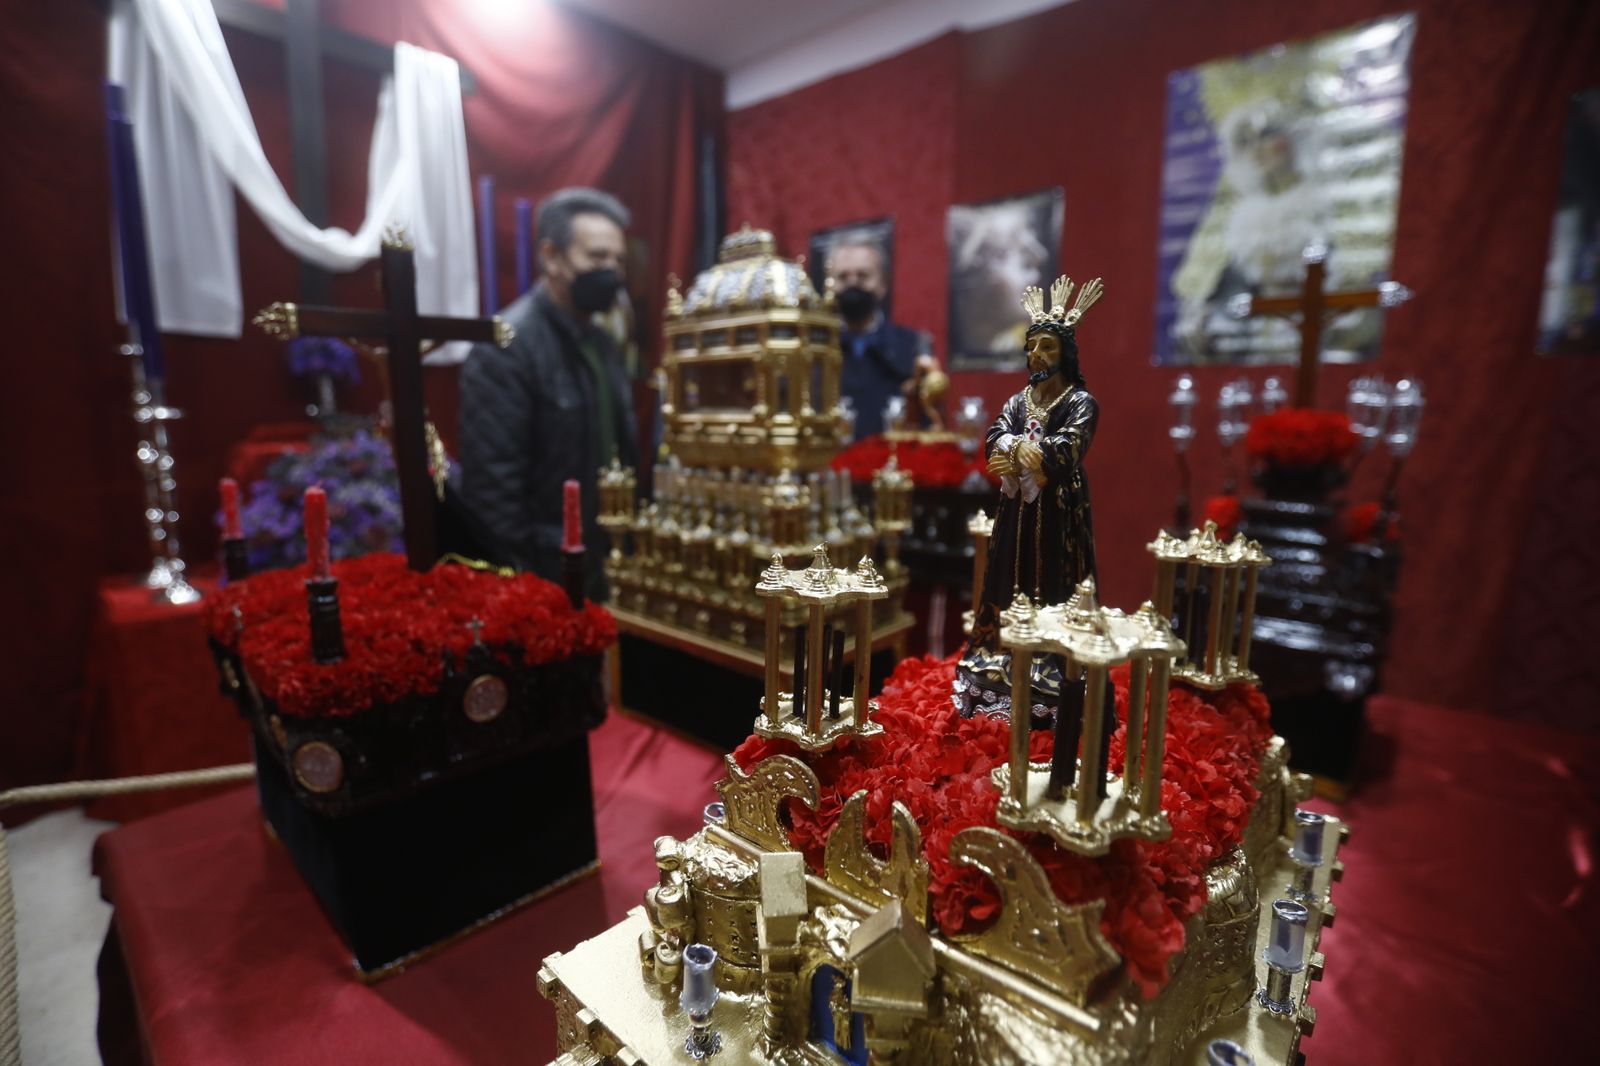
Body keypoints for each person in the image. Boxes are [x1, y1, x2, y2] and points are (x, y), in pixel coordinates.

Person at [458, 187, 638, 602]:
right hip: (546, 572)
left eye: (619, 261)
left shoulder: (603, 344)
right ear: (552, 257)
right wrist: (524, 589)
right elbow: (493, 495)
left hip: (606, 561)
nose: (611, 271)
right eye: (597, 257)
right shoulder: (506, 347)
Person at [954, 274, 1104, 732]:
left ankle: (1051, 661)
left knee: (1055, 582)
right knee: (1007, 575)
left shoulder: (1081, 402)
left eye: (1047, 347)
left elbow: (1066, 449)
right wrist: (1015, 448)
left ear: (1065, 354)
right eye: (1031, 346)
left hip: (1059, 511)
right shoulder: (1017, 401)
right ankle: (1001, 650)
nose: (1036, 354)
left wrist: (1023, 451)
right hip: (1017, 510)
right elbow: (994, 438)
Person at [827, 240, 929, 438]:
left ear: (882, 284)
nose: (852, 284)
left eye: (863, 275)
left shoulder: (912, 346)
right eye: (842, 277)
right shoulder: (815, 348)